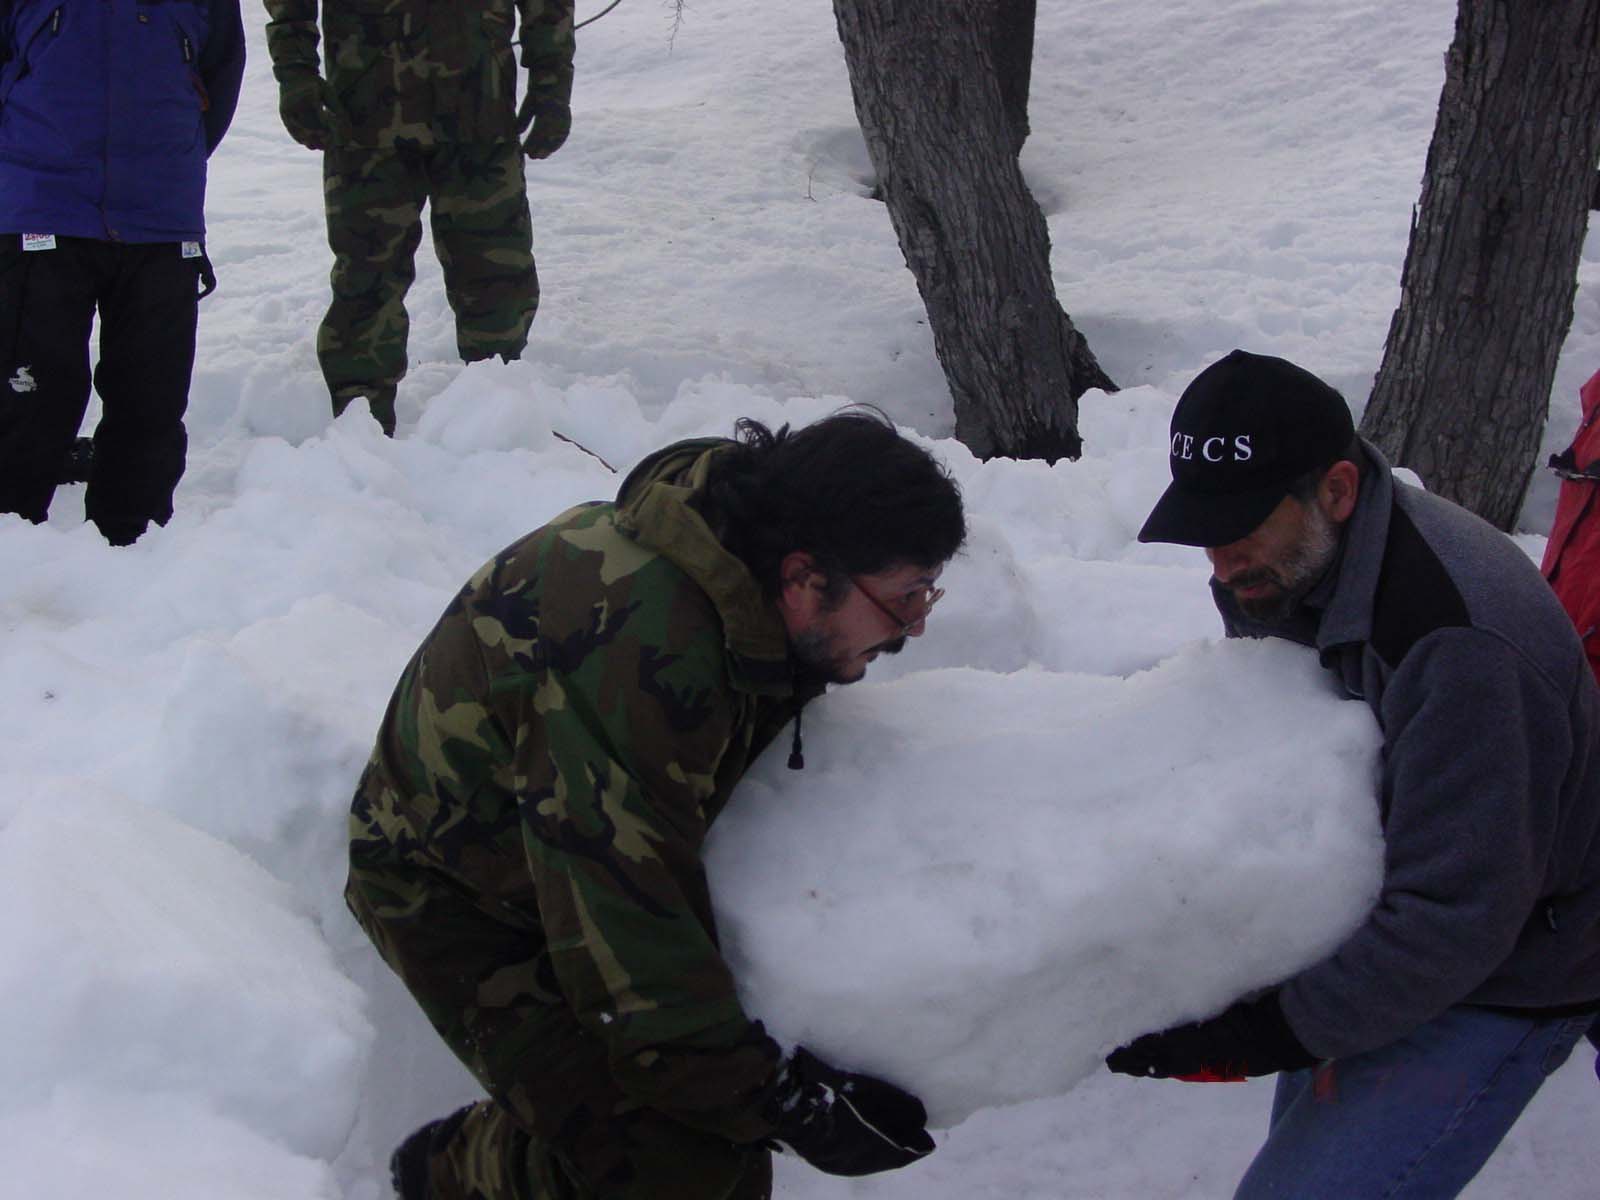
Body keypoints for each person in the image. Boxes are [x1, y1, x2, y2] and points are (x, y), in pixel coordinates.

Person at [346, 409, 963, 1199]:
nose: (913, 628)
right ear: (806, 580)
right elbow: (625, 945)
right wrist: (781, 1103)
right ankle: (458, 1172)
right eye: (905, 597)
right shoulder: (641, 652)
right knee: (688, 1172)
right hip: (452, 883)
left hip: (563, 845)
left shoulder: (742, 567)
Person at [1109, 349, 1600, 1197]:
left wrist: (1269, 1031)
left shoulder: (1456, 642)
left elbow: (1459, 918)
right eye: (1205, 525)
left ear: (1336, 490)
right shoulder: (1286, 565)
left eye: (1242, 523)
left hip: (1517, 957)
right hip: (1388, 920)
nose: (1219, 561)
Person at [263, 0, 574, 436]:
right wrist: (295, 72)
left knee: (496, 272)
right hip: (367, 113)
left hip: (478, 112)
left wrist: (552, 82)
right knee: (366, 276)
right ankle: (359, 432)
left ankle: (500, 419)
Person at [0, 0, 244, 545]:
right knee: (31, 396)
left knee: (151, 400)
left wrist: (170, 158)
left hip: (161, 215)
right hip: (43, 205)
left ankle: (132, 549)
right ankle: (12, 548)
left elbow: (219, 76)